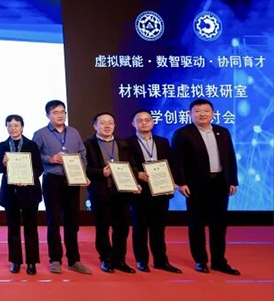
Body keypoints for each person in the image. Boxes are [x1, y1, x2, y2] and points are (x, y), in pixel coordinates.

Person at [172, 99, 240, 275]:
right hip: (195, 185)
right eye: (197, 111)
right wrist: (181, 183)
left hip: (220, 183)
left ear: (213, 113)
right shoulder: (183, 134)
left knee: (219, 225)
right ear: (190, 114)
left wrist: (233, 180)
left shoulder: (222, 132)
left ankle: (219, 261)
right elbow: (177, 161)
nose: (202, 114)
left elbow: (230, 158)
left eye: (206, 110)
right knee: (197, 224)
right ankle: (200, 260)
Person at [32, 100, 91, 275]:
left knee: (72, 222)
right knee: (53, 220)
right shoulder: (41, 134)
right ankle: (55, 259)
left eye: (62, 112)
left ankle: (74, 260)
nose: (60, 115)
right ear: (47, 115)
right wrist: (49, 159)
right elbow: (34, 156)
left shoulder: (73, 132)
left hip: (72, 180)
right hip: (52, 180)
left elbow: (82, 154)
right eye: (55, 112)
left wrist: (82, 172)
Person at [124, 109, 182, 273]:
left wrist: (172, 182)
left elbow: (171, 164)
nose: (144, 123)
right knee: (140, 228)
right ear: (133, 124)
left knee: (159, 228)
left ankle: (161, 261)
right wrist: (136, 174)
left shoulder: (163, 142)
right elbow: (124, 164)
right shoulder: (127, 143)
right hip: (140, 191)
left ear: (153, 122)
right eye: (140, 120)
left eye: (147, 120)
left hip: (161, 190)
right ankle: (142, 260)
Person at [84, 112, 135, 274]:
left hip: (122, 192)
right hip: (101, 192)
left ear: (114, 125)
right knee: (103, 228)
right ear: (95, 126)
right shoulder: (88, 144)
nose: (107, 126)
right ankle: (105, 259)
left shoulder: (123, 143)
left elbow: (131, 165)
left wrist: (134, 182)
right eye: (102, 123)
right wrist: (101, 173)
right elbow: (82, 168)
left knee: (122, 228)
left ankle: (119, 260)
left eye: (110, 123)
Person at [0, 114, 43, 275]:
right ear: (6, 128)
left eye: (16, 125)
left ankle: (31, 262)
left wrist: (28, 178)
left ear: (22, 127)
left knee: (31, 228)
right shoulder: (2, 145)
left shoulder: (31, 145)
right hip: (10, 193)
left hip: (29, 191)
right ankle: (15, 261)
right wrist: (3, 163)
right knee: (13, 229)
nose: (13, 128)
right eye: (10, 125)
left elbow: (39, 168)